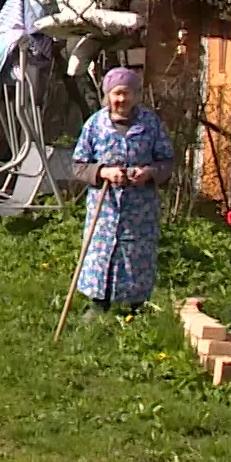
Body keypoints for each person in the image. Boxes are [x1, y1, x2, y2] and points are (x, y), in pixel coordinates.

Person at [71, 68, 176, 315]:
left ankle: (135, 306)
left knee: (136, 254)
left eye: (127, 94)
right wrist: (103, 172)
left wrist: (149, 173)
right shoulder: (95, 124)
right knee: (101, 251)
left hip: (140, 207)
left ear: (136, 95)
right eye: (116, 94)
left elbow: (167, 161)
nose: (121, 100)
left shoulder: (150, 124)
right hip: (105, 206)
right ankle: (98, 304)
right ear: (107, 95)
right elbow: (78, 165)